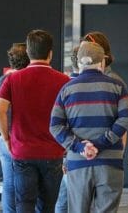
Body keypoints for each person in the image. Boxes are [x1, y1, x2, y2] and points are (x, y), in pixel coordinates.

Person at [50, 41, 128, 213]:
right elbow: (126, 119)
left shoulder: (67, 89)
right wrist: (101, 143)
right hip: (110, 164)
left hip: (78, 163)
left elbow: (55, 126)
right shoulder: (118, 87)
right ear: (102, 62)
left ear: (79, 63)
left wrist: (80, 146)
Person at [0, 30, 69, 213]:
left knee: (24, 205)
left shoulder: (12, 79)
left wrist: (7, 138)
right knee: (48, 207)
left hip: (23, 152)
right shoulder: (64, 81)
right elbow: (72, 115)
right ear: (50, 53)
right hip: (53, 152)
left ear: (28, 52)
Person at [0, 43, 30, 213]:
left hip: (5, 137)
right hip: (22, 138)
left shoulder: (4, 80)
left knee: (9, 184)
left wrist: (5, 137)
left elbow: (0, 112)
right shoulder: (26, 81)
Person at [55, 45, 79, 213]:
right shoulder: (68, 86)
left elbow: (59, 124)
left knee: (64, 200)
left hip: (69, 151)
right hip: (84, 152)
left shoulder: (65, 86)